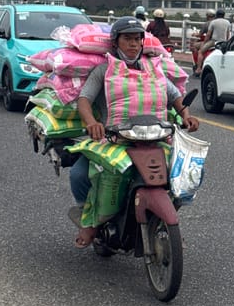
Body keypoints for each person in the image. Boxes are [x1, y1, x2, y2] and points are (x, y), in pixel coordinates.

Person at [69, 16, 199, 247]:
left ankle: (165, 221)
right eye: (127, 39)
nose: (134, 44)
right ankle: (89, 221)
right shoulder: (103, 70)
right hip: (114, 139)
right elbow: (84, 99)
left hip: (154, 137)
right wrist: (91, 122)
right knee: (79, 173)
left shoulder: (154, 68)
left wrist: (186, 115)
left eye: (138, 39)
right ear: (115, 42)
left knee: (186, 171)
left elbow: (175, 96)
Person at [194, 8, 231, 76]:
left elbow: (208, 34)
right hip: (223, 42)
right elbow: (228, 35)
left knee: (200, 52)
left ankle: (199, 69)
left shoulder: (213, 22)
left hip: (214, 42)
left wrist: (204, 43)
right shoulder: (227, 22)